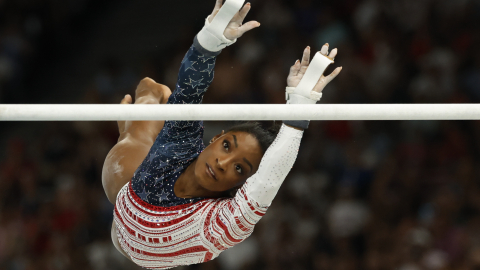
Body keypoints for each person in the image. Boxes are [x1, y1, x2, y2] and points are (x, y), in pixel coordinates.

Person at [101, 0, 342, 269]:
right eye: (227, 146)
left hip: (123, 238)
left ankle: (130, 125)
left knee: (150, 117)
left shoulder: (223, 221)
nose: (222, 163)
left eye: (240, 168)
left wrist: (298, 110)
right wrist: (209, 42)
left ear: (243, 184)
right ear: (216, 138)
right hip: (128, 194)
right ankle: (133, 124)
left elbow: (269, 180)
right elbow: (191, 90)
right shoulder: (183, 142)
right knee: (153, 89)